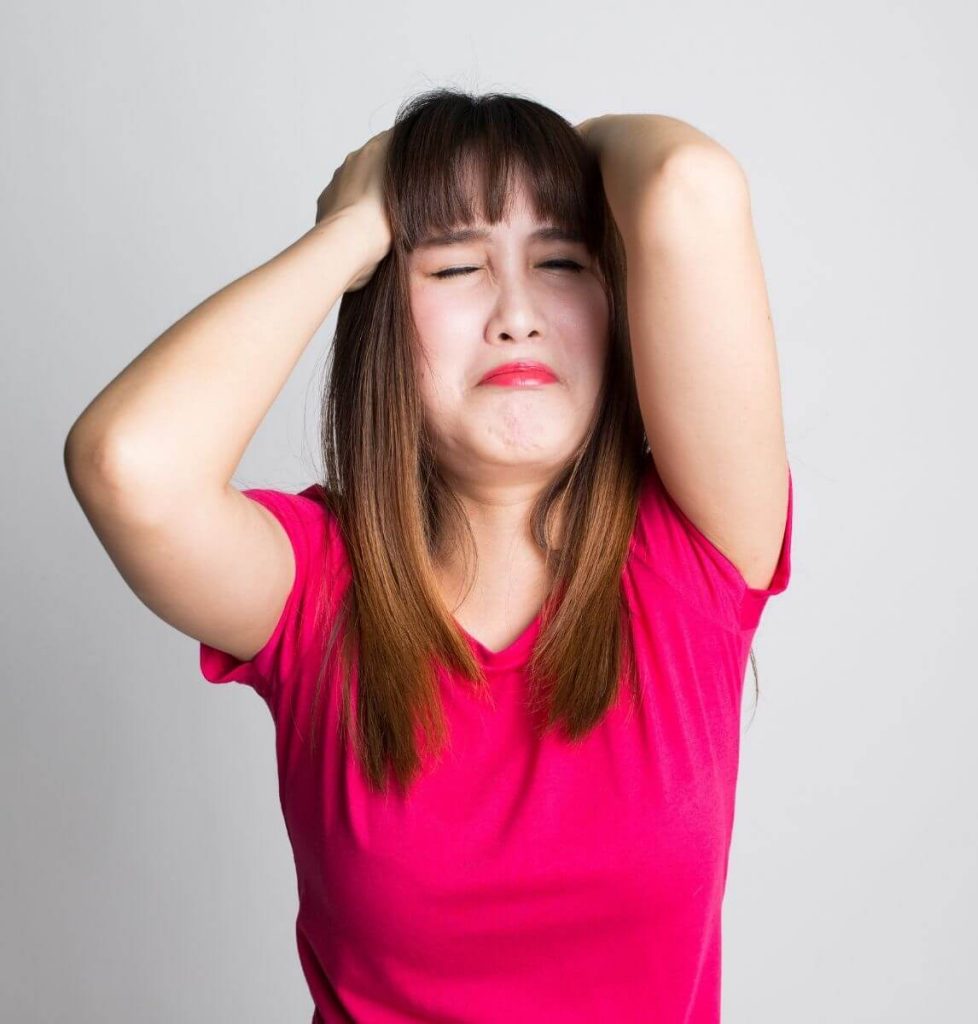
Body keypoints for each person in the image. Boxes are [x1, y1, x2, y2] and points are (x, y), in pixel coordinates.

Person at [64, 88, 794, 1024]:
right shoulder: (316, 588)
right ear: (381, 313)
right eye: (455, 268)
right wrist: (354, 227)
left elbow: (690, 185)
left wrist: (546, 151)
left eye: (562, 260)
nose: (517, 315)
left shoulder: (693, 552)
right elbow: (129, 467)